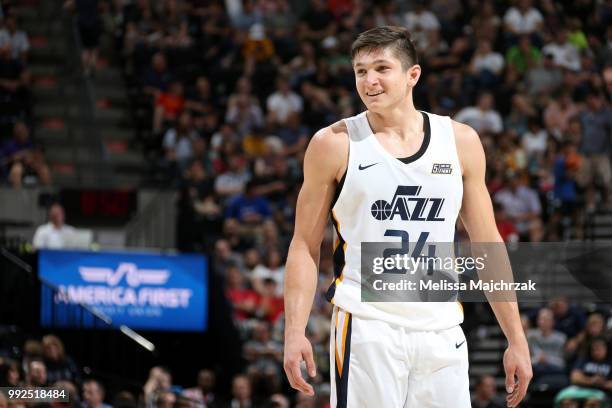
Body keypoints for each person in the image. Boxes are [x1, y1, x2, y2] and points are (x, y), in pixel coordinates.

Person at [283, 26, 532, 407]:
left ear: (412, 74)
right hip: (367, 326)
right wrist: (294, 331)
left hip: (442, 328)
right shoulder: (333, 144)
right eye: (360, 71)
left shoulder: (460, 141)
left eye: (382, 68)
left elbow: (489, 246)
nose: (369, 81)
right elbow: (304, 243)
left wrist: (516, 338)